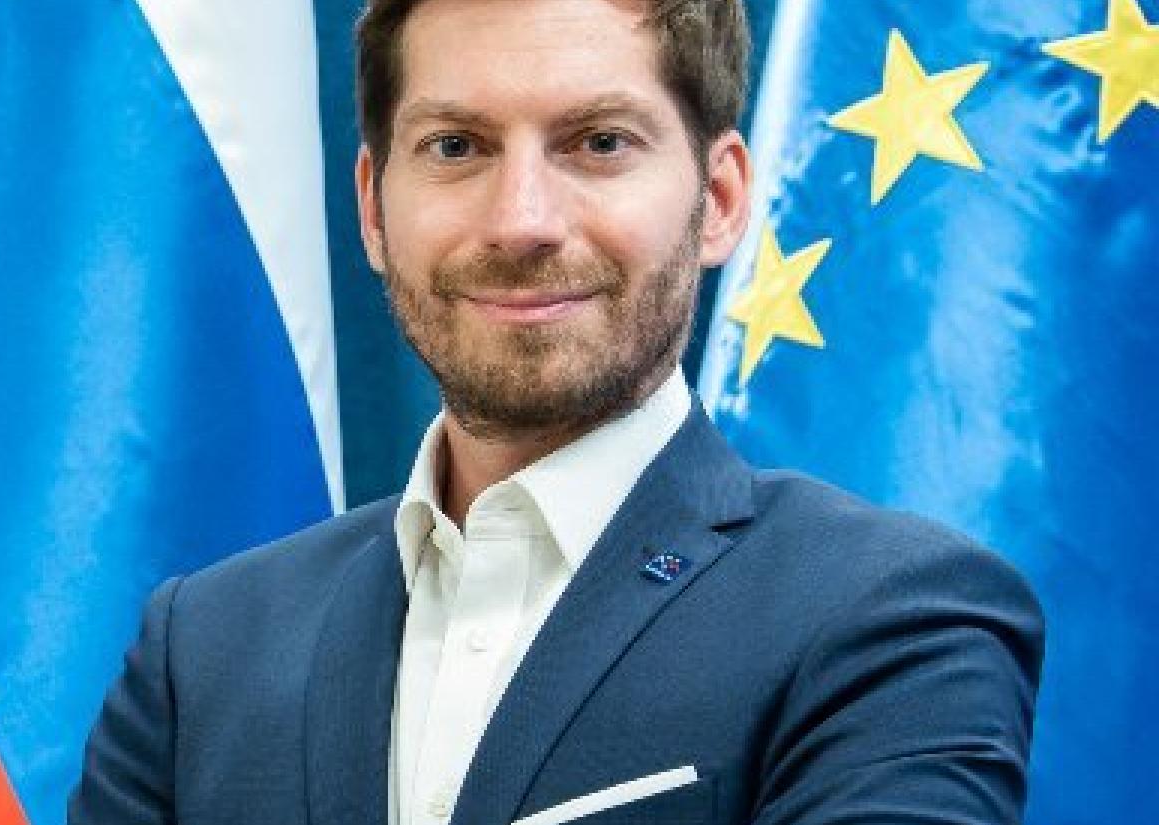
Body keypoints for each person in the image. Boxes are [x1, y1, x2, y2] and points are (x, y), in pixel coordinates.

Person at [69, 0, 1044, 823]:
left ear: (718, 199)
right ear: (372, 209)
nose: (521, 221)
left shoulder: (896, 623)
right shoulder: (200, 652)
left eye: (598, 143)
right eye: (457, 147)